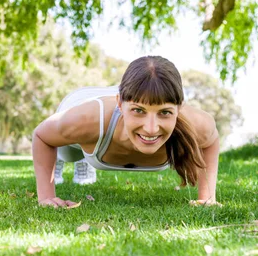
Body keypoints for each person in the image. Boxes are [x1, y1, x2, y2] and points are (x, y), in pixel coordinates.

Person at [32, 55, 221, 208]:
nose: (151, 128)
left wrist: (207, 197)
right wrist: (46, 196)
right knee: (67, 153)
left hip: (124, 102)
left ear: (179, 109)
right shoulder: (86, 119)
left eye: (165, 112)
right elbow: (42, 136)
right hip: (85, 103)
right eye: (139, 111)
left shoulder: (197, 124)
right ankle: (69, 160)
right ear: (120, 105)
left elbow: (211, 142)